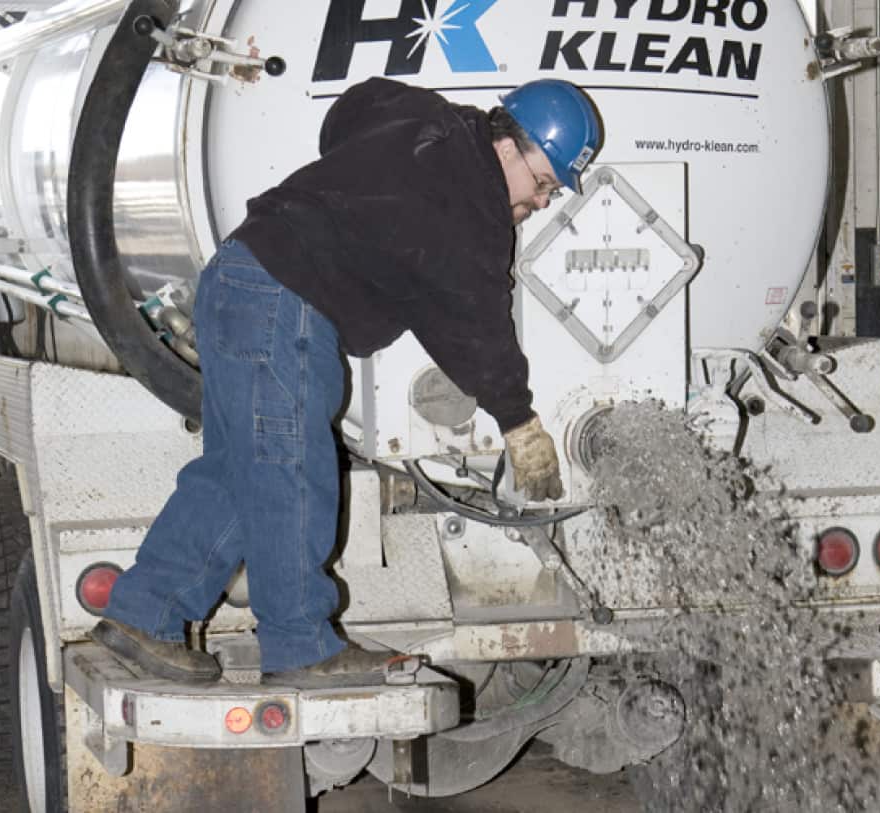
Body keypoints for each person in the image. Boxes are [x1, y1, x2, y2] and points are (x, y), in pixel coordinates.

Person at [93, 77, 602, 684]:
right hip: (285, 300)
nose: (542, 201)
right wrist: (519, 421)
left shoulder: (424, 122)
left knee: (237, 473)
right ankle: (300, 645)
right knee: (292, 471)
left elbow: (352, 108)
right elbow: (475, 325)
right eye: (544, 183)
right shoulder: (470, 202)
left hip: (235, 278)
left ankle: (143, 615)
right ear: (506, 149)